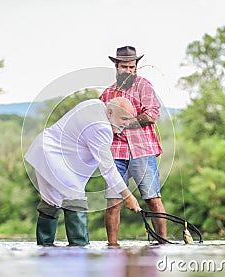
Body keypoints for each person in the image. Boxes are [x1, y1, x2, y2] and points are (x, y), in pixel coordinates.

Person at [24, 97, 141, 246]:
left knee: (51, 203)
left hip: (42, 150)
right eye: (124, 118)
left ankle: (45, 250)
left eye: (130, 119)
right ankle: (79, 249)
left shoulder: (94, 104)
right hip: (53, 157)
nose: (127, 123)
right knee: (75, 199)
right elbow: (108, 169)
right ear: (110, 113)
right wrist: (128, 196)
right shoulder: (101, 128)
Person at [100, 46, 167, 246]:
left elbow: (152, 115)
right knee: (113, 202)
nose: (128, 71)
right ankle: (112, 246)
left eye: (132, 67)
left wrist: (124, 122)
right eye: (124, 67)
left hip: (142, 151)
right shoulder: (107, 93)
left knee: (152, 199)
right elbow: (101, 122)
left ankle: (162, 242)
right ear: (116, 66)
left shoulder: (144, 86)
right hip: (116, 152)